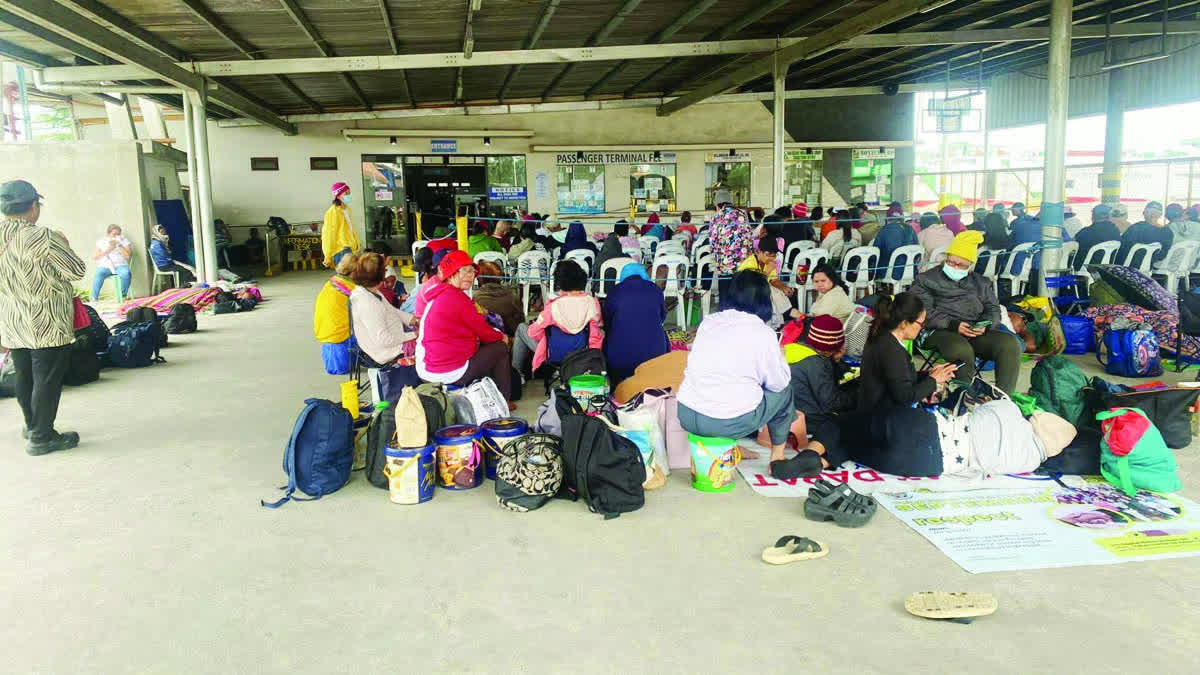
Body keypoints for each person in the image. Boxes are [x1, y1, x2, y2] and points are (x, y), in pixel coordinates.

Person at [677, 271, 808, 476]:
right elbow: (778, 383)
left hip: (686, 414)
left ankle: (729, 448)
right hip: (724, 422)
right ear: (765, 300)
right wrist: (778, 358)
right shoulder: (762, 332)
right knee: (784, 392)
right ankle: (777, 458)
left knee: (732, 388)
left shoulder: (709, 322)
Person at [0, 180, 87, 455]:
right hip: (46, 321)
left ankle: (31, 425)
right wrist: (64, 243)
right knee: (46, 378)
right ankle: (42, 437)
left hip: (13, 320)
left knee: (24, 375)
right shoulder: (44, 237)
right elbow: (76, 271)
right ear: (33, 207)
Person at [911, 230, 1023, 393]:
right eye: (951, 262)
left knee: (1010, 344)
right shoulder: (926, 280)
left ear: (970, 266)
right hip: (937, 331)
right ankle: (961, 397)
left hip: (973, 331)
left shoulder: (980, 282)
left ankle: (1003, 398)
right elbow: (923, 311)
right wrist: (953, 324)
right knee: (961, 349)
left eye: (960, 265)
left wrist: (986, 324)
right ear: (946, 259)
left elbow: (993, 308)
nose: (954, 267)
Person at [416, 250, 513, 403]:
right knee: (500, 347)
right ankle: (502, 401)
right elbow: (485, 333)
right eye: (465, 271)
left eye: (472, 271)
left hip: (429, 368)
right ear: (452, 273)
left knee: (486, 349)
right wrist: (503, 337)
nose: (470, 275)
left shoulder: (439, 294)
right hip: (449, 372)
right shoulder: (457, 299)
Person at [773, 315, 856, 478]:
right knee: (847, 428)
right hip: (807, 419)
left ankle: (808, 461)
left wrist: (835, 362)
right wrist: (858, 397)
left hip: (779, 414)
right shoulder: (816, 363)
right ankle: (819, 461)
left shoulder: (792, 349)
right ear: (832, 346)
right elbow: (831, 402)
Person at [856, 292, 957, 413]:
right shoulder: (891, 350)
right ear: (904, 323)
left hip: (876, 410)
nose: (922, 328)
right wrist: (933, 380)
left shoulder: (883, 337)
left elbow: (897, 379)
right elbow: (905, 397)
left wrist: (929, 374)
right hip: (882, 418)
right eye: (921, 323)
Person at [512, 260, 603, 376]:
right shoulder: (593, 303)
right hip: (584, 354)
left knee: (522, 328)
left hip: (554, 354)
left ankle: (517, 375)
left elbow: (533, 333)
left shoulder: (553, 306)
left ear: (559, 283)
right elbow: (596, 330)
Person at [602, 263, 670, 385]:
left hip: (620, 360)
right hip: (654, 358)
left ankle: (617, 387)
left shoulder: (615, 291)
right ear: (643, 274)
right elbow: (662, 318)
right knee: (662, 334)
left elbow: (607, 322)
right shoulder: (655, 289)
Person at [347, 252, 416, 366]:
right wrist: (415, 335)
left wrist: (414, 320)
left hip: (394, 339)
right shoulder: (368, 303)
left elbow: (392, 310)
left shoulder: (369, 290)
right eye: (384, 269)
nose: (386, 270)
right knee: (436, 344)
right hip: (385, 352)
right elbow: (385, 340)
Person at [708, 188, 753, 301]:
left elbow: (712, 243)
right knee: (740, 299)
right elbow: (749, 238)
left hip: (725, 265)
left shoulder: (716, 217)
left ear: (717, 204)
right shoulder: (743, 215)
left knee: (725, 298)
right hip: (743, 265)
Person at [313, 252, 357, 365]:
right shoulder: (351, 288)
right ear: (353, 273)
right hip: (340, 335)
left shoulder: (332, 282)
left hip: (325, 331)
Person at [471, 261, 523, 336]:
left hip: (490, 338)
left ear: (480, 279)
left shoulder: (477, 297)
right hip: (513, 337)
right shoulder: (512, 294)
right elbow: (520, 321)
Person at [1117, 201, 1173, 266]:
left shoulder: (1136, 228)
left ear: (1144, 213)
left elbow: (1121, 246)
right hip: (1147, 267)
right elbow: (1162, 255)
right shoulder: (1167, 232)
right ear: (1160, 215)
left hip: (1126, 267)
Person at [321, 181, 360, 268]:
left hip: (349, 249)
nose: (349, 196)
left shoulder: (347, 210)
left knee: (349, 280)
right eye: (346, 193)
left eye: (349, 193)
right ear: (338, 196)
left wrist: (356, 245)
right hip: (341, 251)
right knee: (344, 280)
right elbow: (328, 236)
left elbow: (350, 229)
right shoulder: (332, 212)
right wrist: (327, 256)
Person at [1073, 204, 1121, 271]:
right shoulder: (1116, 231)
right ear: (1108, 216)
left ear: (1093, 216)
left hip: (1084, 268)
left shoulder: (1085, 232)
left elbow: (1073, 246)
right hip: (1107, 269)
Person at [91, 224, 132, 301]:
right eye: (114, 234)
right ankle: (94, 298)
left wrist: (119, 245)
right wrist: (109, 249)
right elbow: (95, 257)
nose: (116, 236)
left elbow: (127, 256)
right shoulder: (101, 242)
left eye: (118, 234)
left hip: (120, 265)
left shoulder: (124, 241)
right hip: (106, 266)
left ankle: (123, 296)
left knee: (126, 273)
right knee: (99, 273)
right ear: (108, 234)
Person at [874, 210, 920, 279]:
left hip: (889, 273)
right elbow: (917, 251)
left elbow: (875, 251)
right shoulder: (910, 229)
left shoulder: (885, 229)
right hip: (911, 271)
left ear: (888, 221)